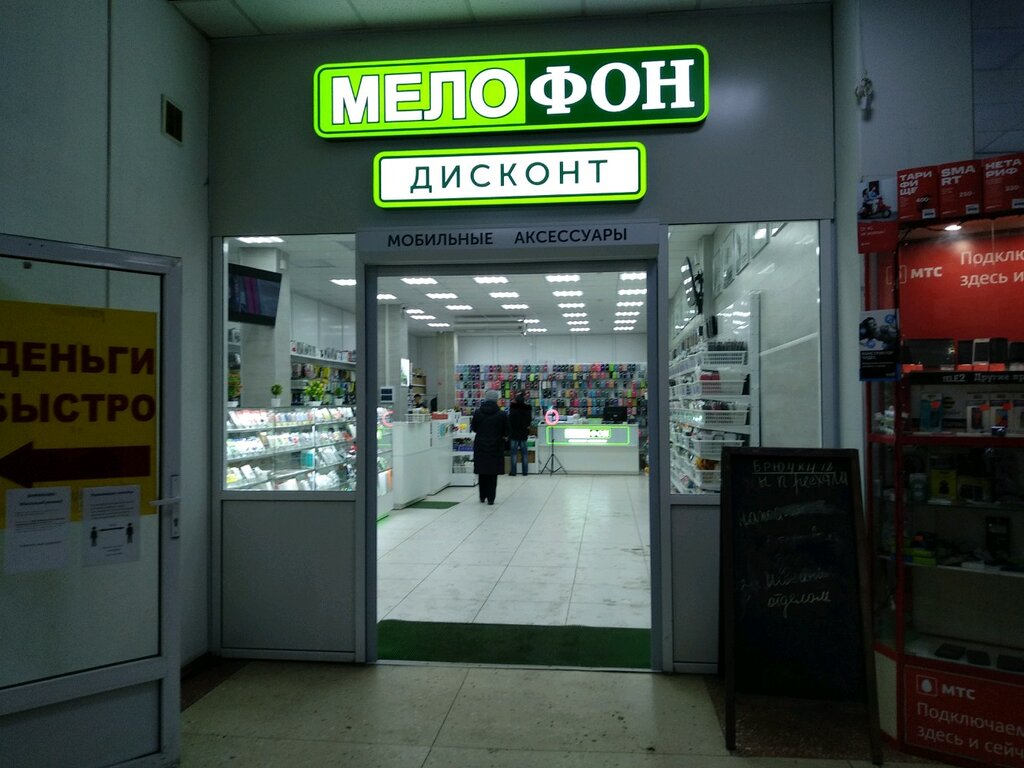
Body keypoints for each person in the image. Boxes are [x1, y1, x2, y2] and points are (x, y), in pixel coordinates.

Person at [471, 388, 508, 505]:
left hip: (480, 445)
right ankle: (491, 498)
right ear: (496, 400)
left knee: (482, 472)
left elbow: (474, 428)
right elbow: (506, 431)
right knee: (493, 473)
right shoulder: (502, 414)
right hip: (496, 446)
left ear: (485, 399)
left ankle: (482, 496)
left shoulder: (477, 413)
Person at [507, 392, 532, 476]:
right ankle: (525, 472)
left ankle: (513, 472)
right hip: (523, 433)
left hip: (514, 434)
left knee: (514, 454)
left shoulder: (513, 408)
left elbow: (509, 421)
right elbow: (529, 421)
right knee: (524, 454)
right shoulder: (527, 408)